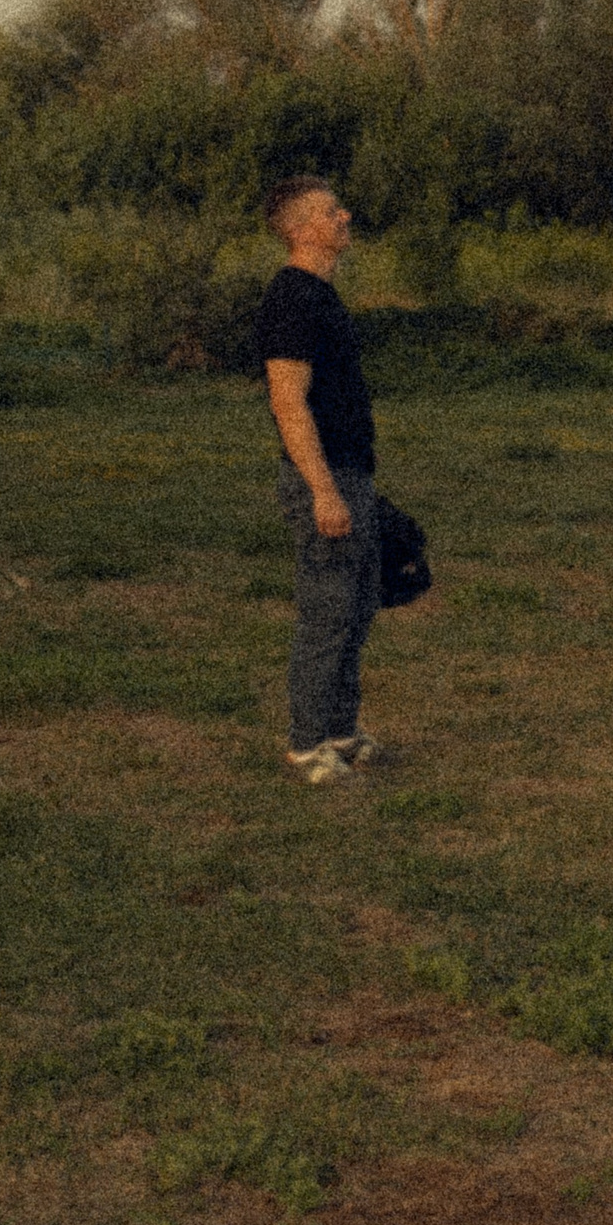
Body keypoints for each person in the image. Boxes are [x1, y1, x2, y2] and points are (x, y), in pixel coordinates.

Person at [256, 176, 383, 785]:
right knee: (327, 609)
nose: (345, 215)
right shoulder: (293, 299)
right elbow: (288, 403)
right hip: (323, 478)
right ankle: (307, 744)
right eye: (332, 211)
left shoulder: (322, 294)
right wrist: (323, 490)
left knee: (355, 607)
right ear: (303, 230)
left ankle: (340, 729)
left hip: (351, 472)